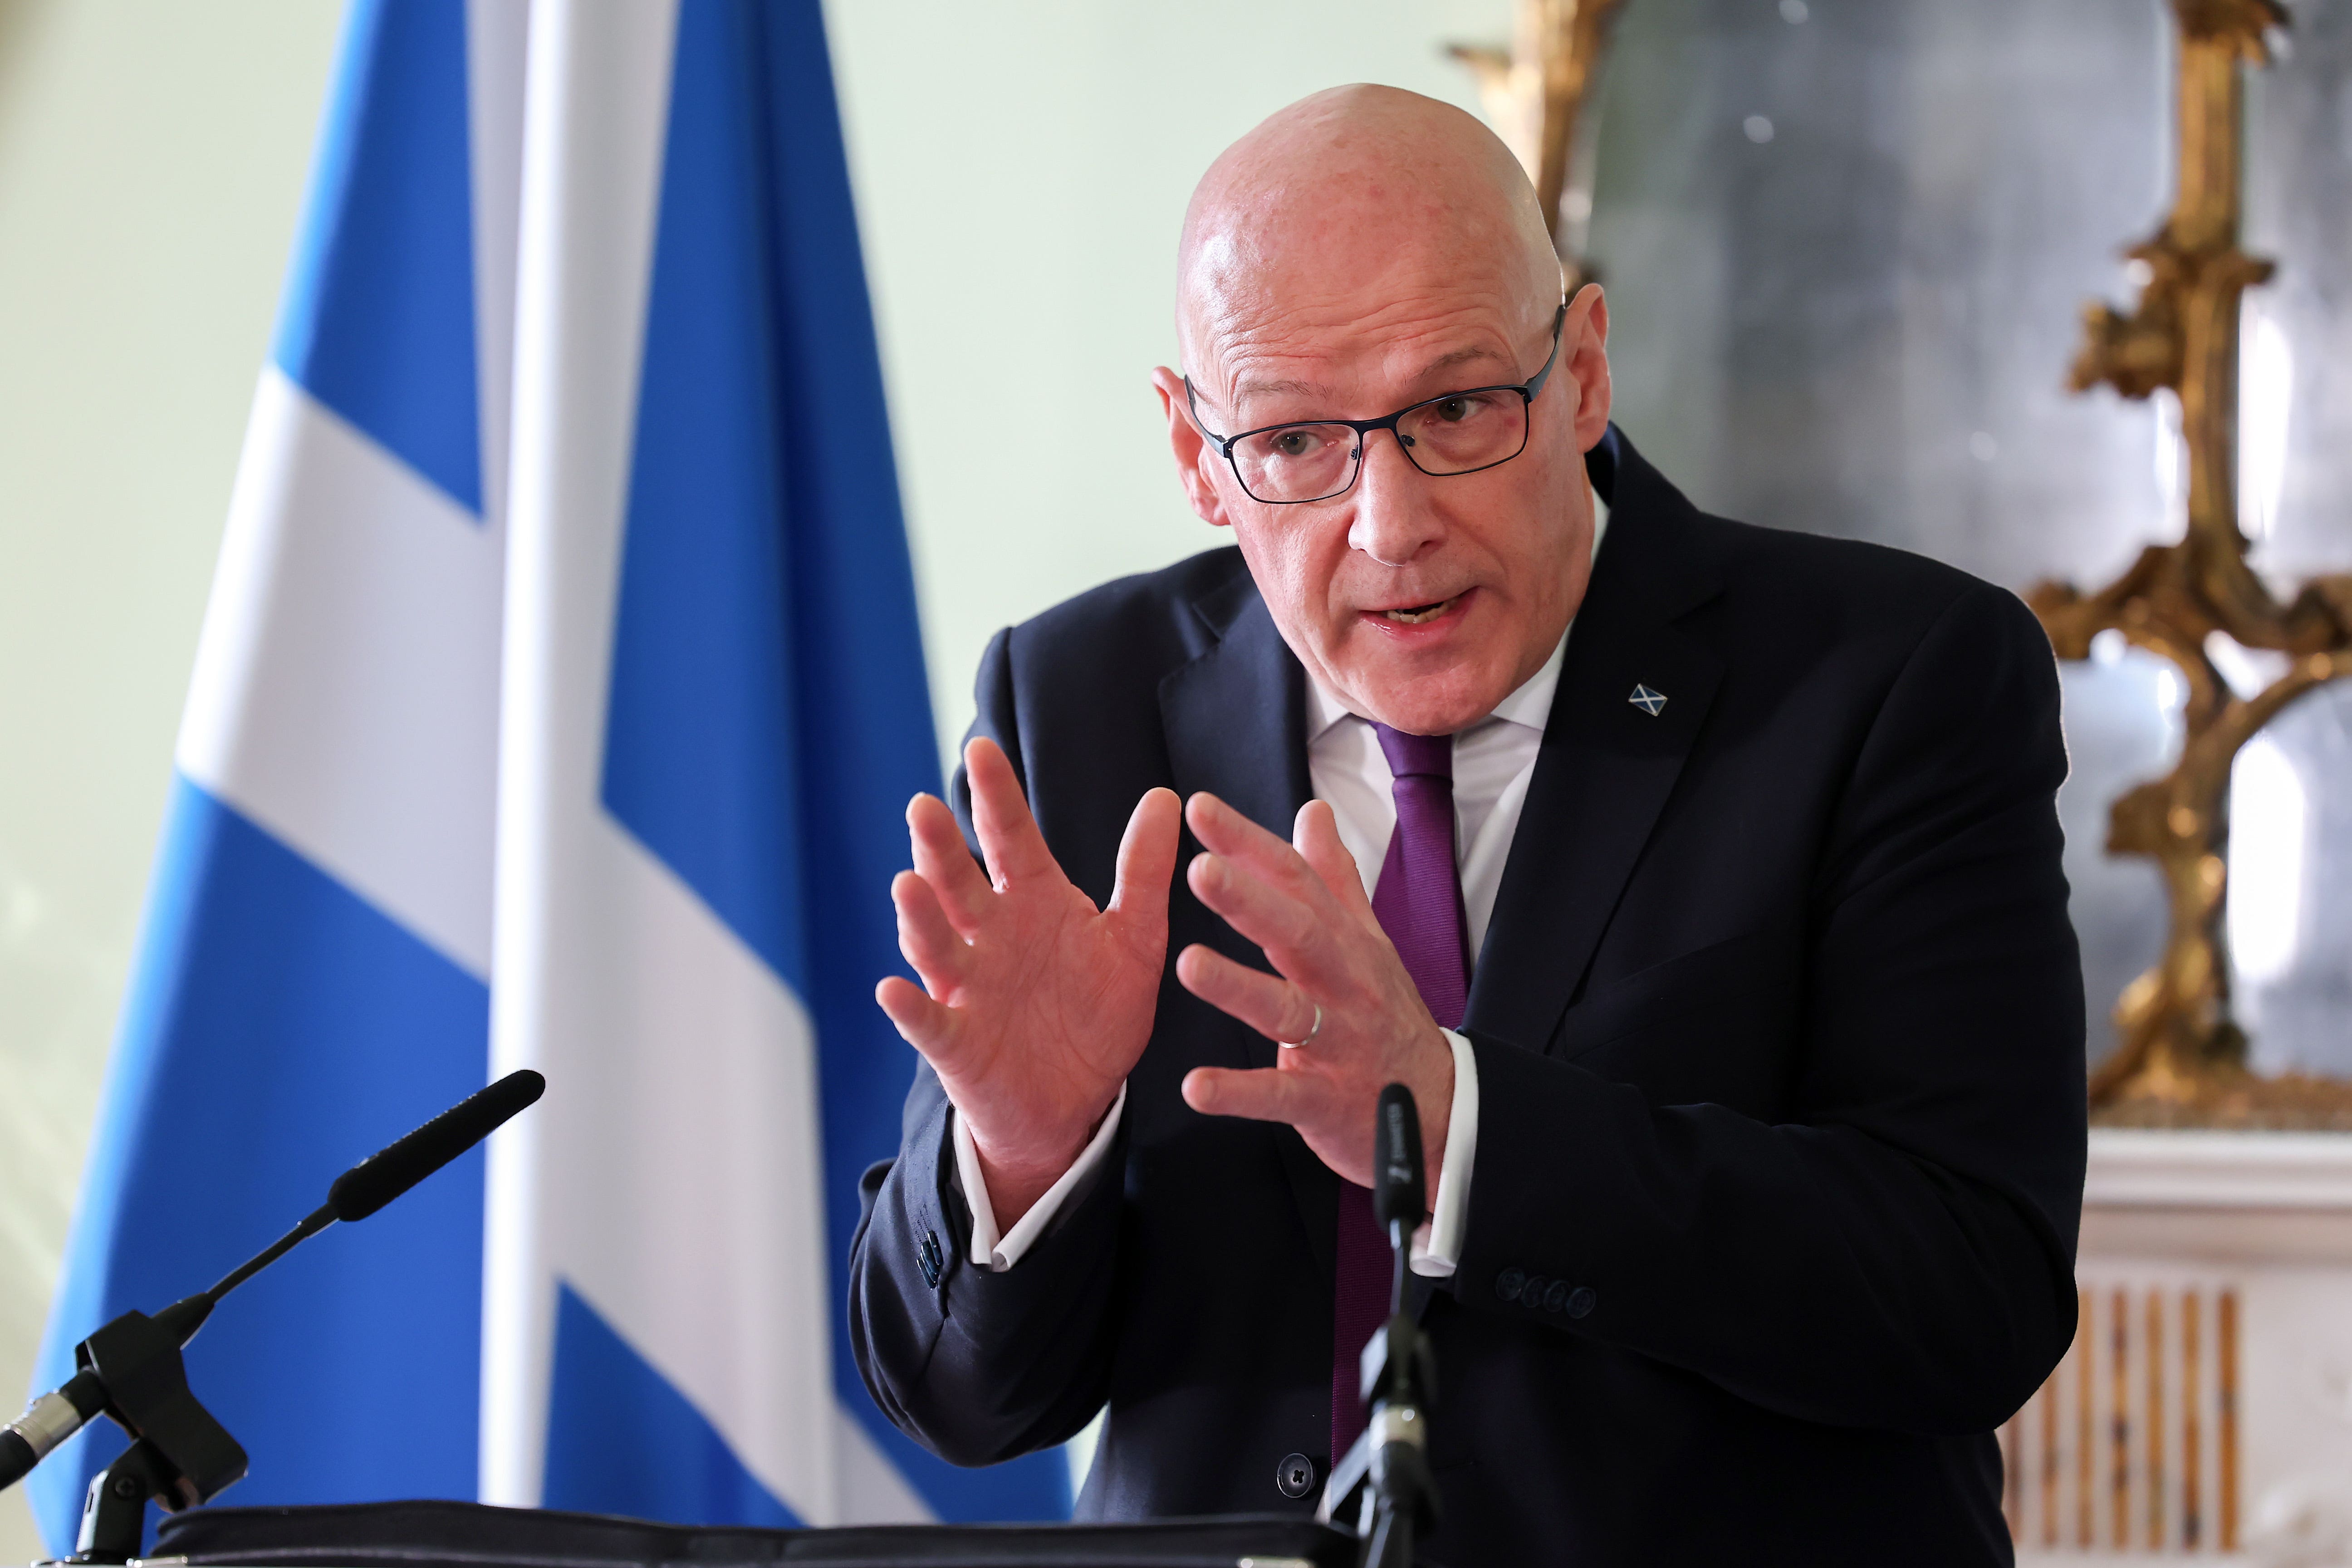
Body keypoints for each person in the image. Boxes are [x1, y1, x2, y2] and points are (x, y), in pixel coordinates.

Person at [848, 83, 2084, 1565]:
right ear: (1196, 454)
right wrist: (1028, 1153)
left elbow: (1970, 1298)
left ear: (1581, 374)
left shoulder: (1888, 678)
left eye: (1454, 409)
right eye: (1299, 440)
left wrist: (1451, 1123)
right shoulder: (1078, 698)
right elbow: (961, 1403)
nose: (1391, 523)